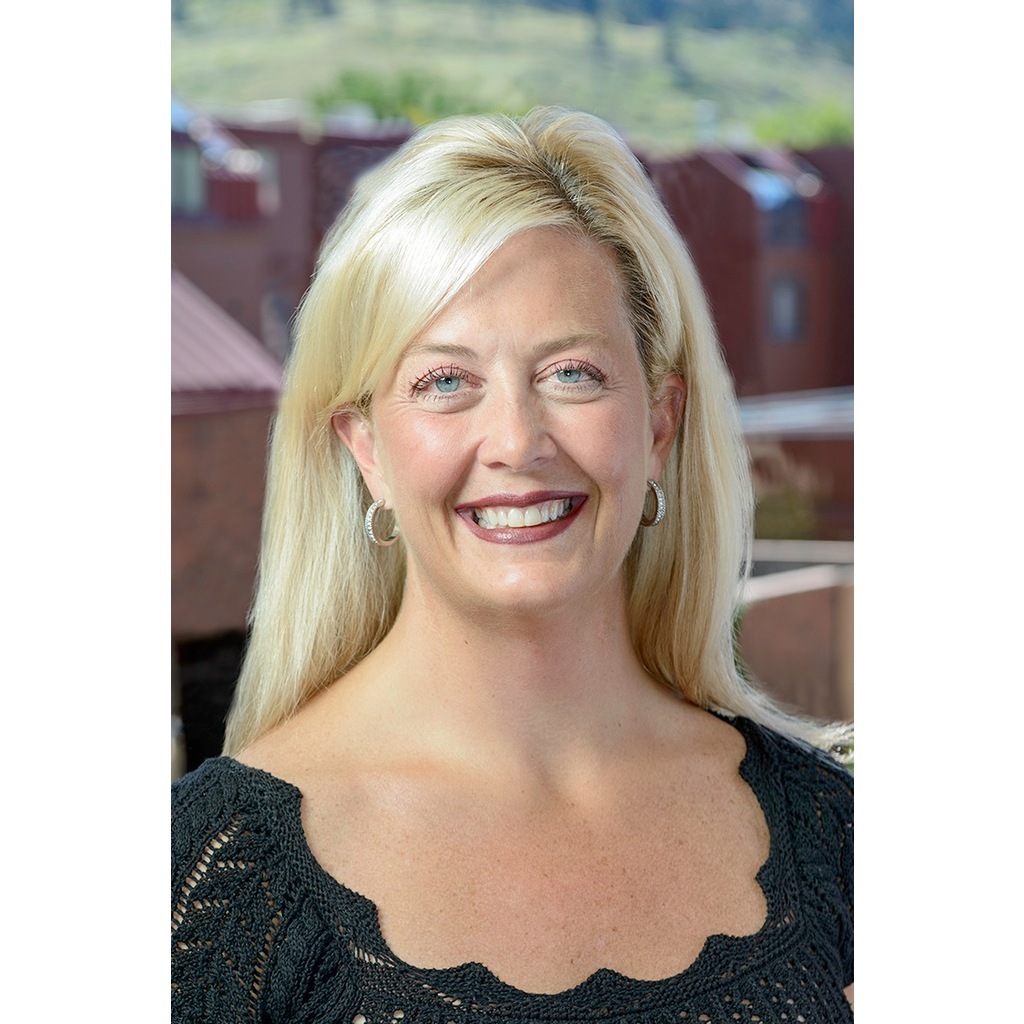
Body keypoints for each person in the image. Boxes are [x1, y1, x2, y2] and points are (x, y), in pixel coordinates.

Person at [171, 107, 853, 1023]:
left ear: (659, 426)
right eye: (445, 382)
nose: (517, 442)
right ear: (366, 449)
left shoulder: (840, 839)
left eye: (572, 372)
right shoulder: (208, 879)